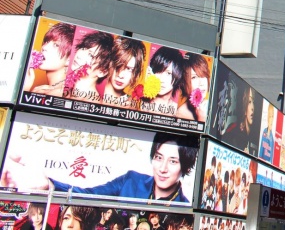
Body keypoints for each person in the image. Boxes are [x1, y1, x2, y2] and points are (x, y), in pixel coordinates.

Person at [0, 132, 198, 204]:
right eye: (158, 157)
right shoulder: (131, 180)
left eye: (173, 161)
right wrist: (48, 185)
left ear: (184, 167)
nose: (162, 168)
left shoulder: (185, 206)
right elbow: (88, 195)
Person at [24, 22, 75, 96]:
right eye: (47, 41)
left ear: (69, 59)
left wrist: (25, 89)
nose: (44, 47)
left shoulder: (58, 93)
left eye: (56, 45)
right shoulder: (53, 89)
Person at [67, 31, 115, 103]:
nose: (79, 55)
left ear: (102, 72)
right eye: (83, 48)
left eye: (91, 55)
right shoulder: (67, 93)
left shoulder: (92, 105)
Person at [142, 47, 187, 116]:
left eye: (168, 73)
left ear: (178, 76)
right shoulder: (138, 104)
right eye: (158, 71)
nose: (161, 79)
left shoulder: (179, 112)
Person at [103, 37, 146, 108]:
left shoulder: (131, 105)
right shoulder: (93, 91)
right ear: (109, 62)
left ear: (135, 72)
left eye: (129, 69)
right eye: (118, 66)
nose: (121, 75)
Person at [176, 54, 211, 122]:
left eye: (203, 75)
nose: (201, 83)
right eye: (194, 77)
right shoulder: (180, 115)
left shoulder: (209, 105)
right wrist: (201, 119)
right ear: (183, 82)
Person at [224, 86, 257, 155]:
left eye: (253, 102)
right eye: (249, 102)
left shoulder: (255, 137)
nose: (252, 108)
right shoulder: (234, 132)